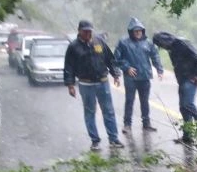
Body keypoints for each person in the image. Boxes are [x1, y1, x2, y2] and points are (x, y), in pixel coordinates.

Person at [64, 20, 124, 151]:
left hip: (102, 82)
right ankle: (95, 141)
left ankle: (113, 139)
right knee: (90, 112)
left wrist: (115, 74)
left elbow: (110, 59)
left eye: (89, 31)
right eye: (85, 31)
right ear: (79, 31)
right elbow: (69, 67)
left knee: (108, 111)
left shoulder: (99, 42)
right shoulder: (73, 47)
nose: (87, 33)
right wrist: (70, 85)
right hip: (86, 84)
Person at [152, 31, 197, 144]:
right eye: (160, 46)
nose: (162, 47)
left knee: (188, 105)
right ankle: (187, 136)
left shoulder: (182, 43)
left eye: (161, 44)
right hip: (182, 80)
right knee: (183, 107)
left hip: (191, 79)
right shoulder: (171, 48)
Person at [114, 17, 164, 133]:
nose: (138, 33)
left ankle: (146, 123)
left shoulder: (148, 43)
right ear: (131, 31)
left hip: (144, 76)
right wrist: (126, 68)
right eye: (135, 31)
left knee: (145, 101)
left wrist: (159, 69)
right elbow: (116, 58)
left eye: (140, 30)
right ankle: (127, 124)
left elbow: (155, 56)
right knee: (129, 101)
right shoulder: (123, 42)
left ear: (143, 31)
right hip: (130, 77)